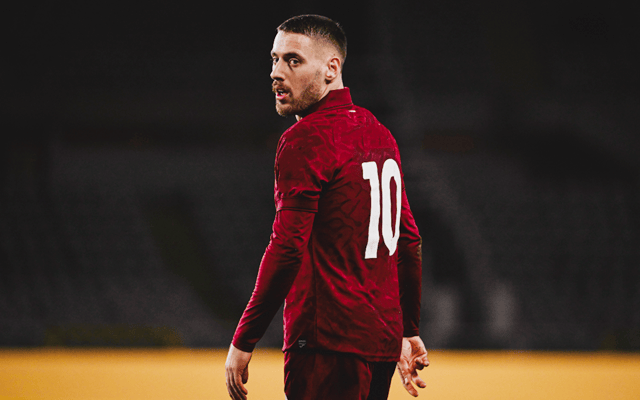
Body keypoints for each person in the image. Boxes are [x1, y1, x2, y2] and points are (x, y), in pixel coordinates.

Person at [225, 14, 429, 400]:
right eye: (275, 59)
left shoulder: (305, 139)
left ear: (331, 68)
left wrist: (244, 339)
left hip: (326, 343)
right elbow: (409, 241)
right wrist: (409, 329)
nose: (276, 72)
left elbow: (287, 247)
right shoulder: (378, 133)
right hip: (381, 345)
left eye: (293, 60)